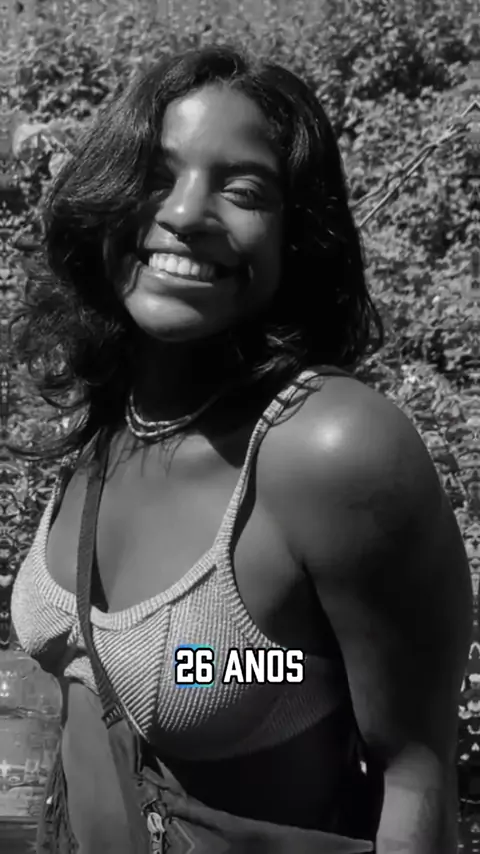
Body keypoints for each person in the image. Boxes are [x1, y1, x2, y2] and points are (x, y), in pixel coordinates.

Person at [11, 44, 472, 854]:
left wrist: (216, 666)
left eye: (245, 189)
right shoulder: (117, 417)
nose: (187, 212)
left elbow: (413, 772)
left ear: (298, 235)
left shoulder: (330, 450)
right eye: (155, 173)